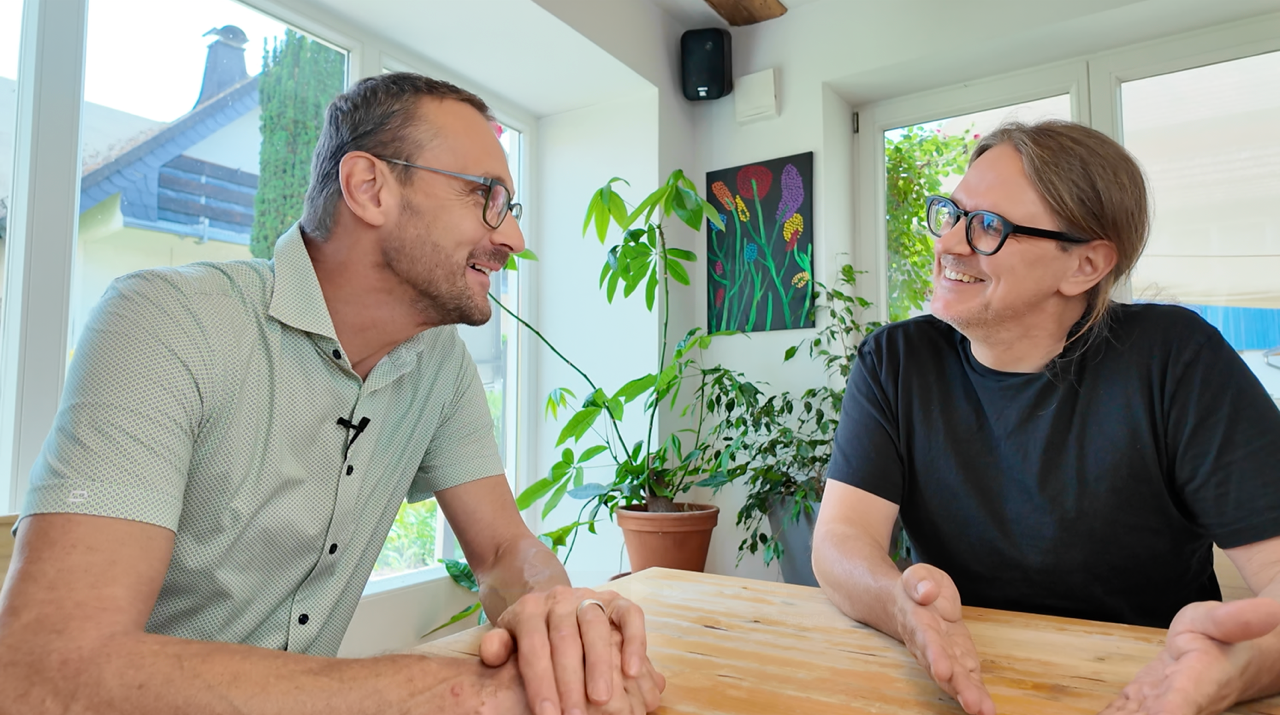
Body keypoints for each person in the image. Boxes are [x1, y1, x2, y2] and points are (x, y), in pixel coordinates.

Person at [0, 72, 664, 715]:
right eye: (485, 196)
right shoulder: (169, 322)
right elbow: (43, 672)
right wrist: (458, 693)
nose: (512, 238)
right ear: (369, 188)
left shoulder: (440, 365)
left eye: (510, 207)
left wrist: (561, 619)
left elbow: (500, 553)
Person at [812, 119, 1280, 715]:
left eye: (988, 226)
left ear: (1084, 266)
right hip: (962, 678)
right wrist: (900, 606)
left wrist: (1234, 672)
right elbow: (842, 540)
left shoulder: (1174, 358)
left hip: (1146, 684)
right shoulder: (896, 361)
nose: (949, 243)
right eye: (951, 213)